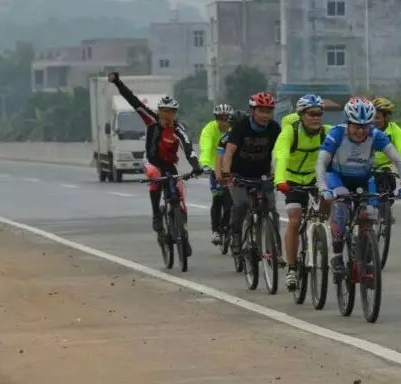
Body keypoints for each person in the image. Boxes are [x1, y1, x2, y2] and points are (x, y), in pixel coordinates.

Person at [315, 97, 401, 277]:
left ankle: (364, 249)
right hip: (338, 177)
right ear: (348, 123)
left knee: (370, 213)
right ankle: (336, 255)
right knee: (341, 207)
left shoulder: (376, 135)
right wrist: (323, 187)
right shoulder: (337, 133)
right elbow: (321, 162)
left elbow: (398, 160)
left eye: (365, 126)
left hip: (364, 178)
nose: (360, 131)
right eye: (356, 126)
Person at [107, 72, 202, 245]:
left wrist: (196, 166)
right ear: (159, 111)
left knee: (180, 197)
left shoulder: (178, 129)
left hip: (169, 165)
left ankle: (184, 237)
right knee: (154, 176)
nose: (167, 116)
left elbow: (188, 148)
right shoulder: (151, 120)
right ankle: (157, 215)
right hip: (152, 162)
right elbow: (133, 101)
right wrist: (118, 82)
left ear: (175, 114)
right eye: (164, 111)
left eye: (171, 112)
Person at [273, 94, 330, 291]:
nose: (316, 118)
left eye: (319, 114)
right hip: (292, 179)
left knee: (329, 203)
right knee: (295, 220)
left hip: (315, 178)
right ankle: (292, 268)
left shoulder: (327, 132)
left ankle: (320, 233)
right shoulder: (290, 132)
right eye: (311, 114)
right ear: (301, 115)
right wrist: (280, 180)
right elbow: (281, 155)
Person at [216, 91, 282, 256]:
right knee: (241, 204)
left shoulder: (274, 128)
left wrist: (278, 172)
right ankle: (236, 234)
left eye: (268, 111)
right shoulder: (241, 126)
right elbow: (228, 153)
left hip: (262, 175)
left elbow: (280, 153)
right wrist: (226, 174)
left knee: (271, 210)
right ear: (252, 111)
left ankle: (275, 247)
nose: (265, 115)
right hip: (239, 174)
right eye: (261, 111)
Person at [199, 103, 235, 245]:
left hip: (230, 168)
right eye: (220, 118)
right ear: (215, 118)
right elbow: (206, 147)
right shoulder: (209, 129)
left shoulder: (234, 129)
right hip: (214, 167)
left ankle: (228, 226)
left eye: (226, 118)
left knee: (230, 202)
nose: (223, 122)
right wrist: (205, 164)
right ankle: (215, 231)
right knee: (218, 198)